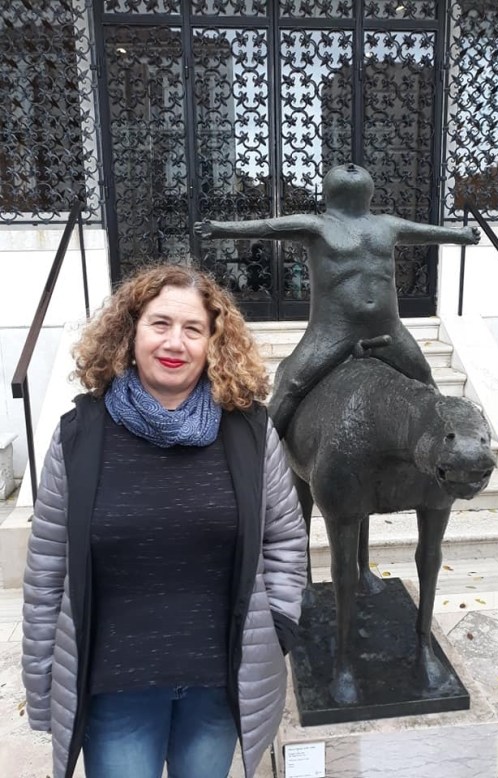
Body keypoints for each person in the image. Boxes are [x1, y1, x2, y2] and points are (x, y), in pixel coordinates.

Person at [21, 265, 307, 778]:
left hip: (217, 687)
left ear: (212, 343)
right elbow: (47, 572)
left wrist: (278, 628)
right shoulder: (80, 436)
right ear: (129, 333)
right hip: (116, 691)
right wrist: (42, 679)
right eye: (160, 324)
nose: (175, 342)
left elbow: (284, 538)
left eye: (193, 329)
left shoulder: (249, 432)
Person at [195, 162, 481, 436]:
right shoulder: (317, 226)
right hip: (332, 330)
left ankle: (449, 436)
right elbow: (267, 227)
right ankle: (259, 455)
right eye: (344, 170)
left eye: (357, 169)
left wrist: (462, 235)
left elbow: (426, 233)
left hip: (388, 328)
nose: (352, 167)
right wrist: (219, 229)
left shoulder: (388, 225)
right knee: (292, 385)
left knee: (424, 374)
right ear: (329, 192)